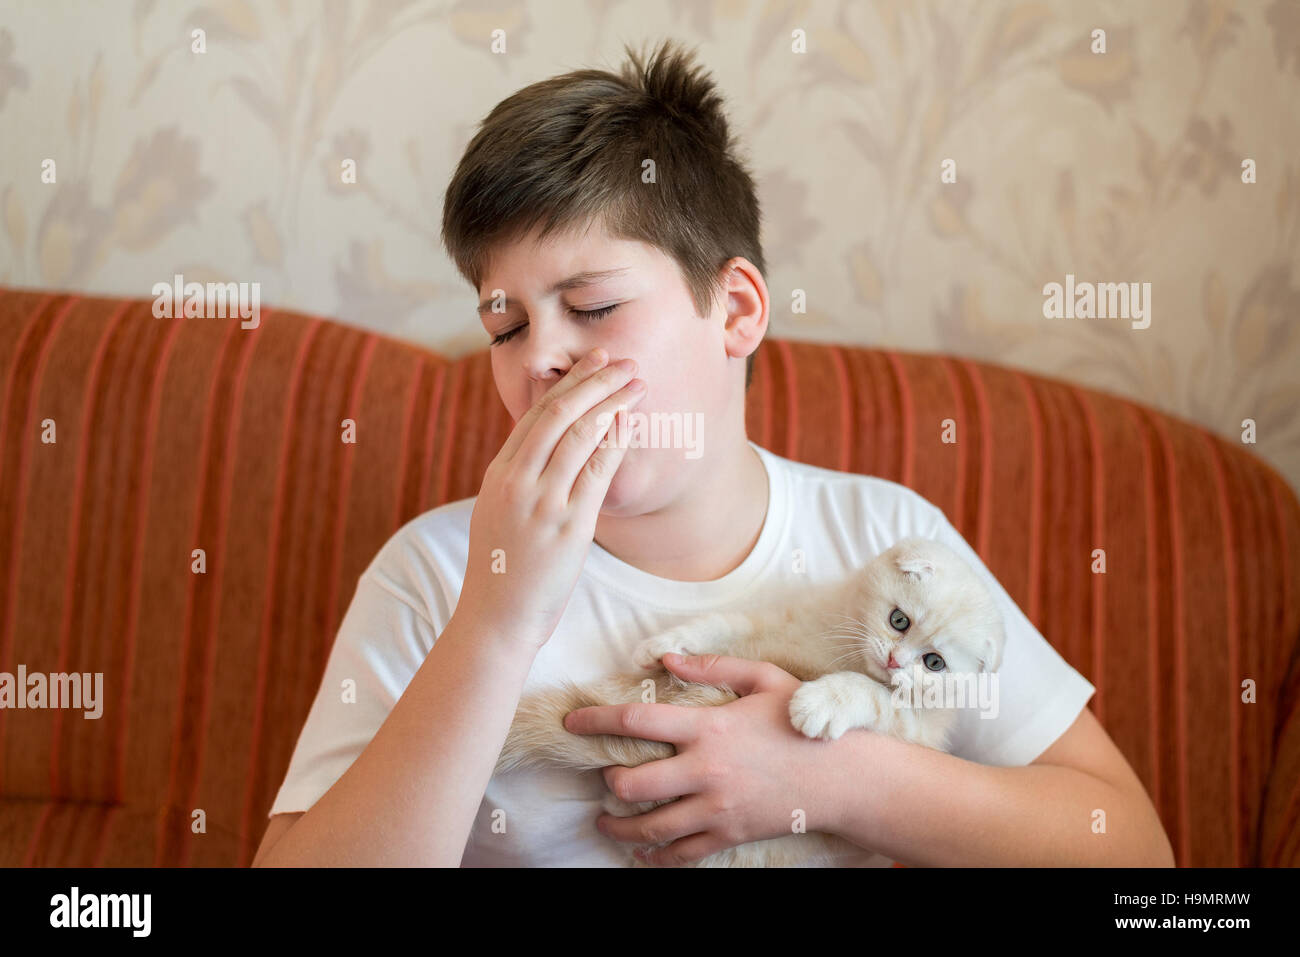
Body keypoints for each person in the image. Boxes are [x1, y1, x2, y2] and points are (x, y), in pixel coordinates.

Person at [252, 39, 1173, 868]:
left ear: (735, 312)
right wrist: (495, 625)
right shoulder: (433, 574)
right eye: (505, 325)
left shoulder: (886, 540)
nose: (539, 357)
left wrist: (839, 780)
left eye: (594, 306)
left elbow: (1128, 848)